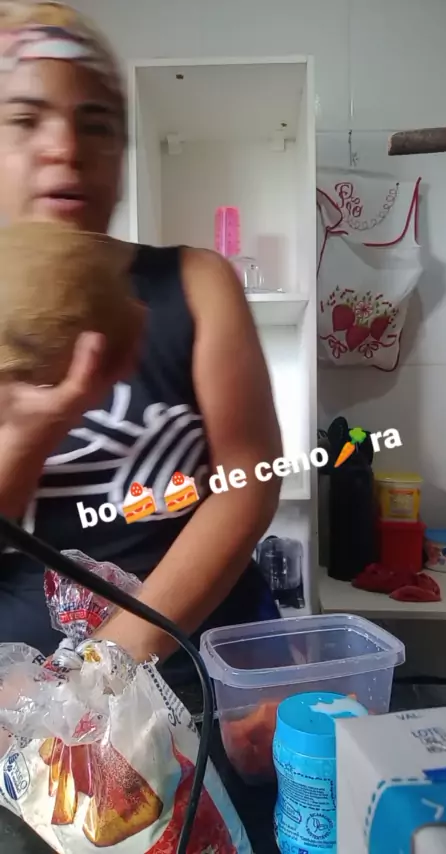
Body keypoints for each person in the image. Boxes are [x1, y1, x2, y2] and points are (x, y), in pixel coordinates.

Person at [0, 0, 283, 672]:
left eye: (96, 124)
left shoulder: (197, 282)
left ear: (121, 157)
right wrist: (33, 433)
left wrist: (114, 660)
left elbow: (249, 479)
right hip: (31, 677)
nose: (65, 148)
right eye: (25, 120)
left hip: (200, 655)